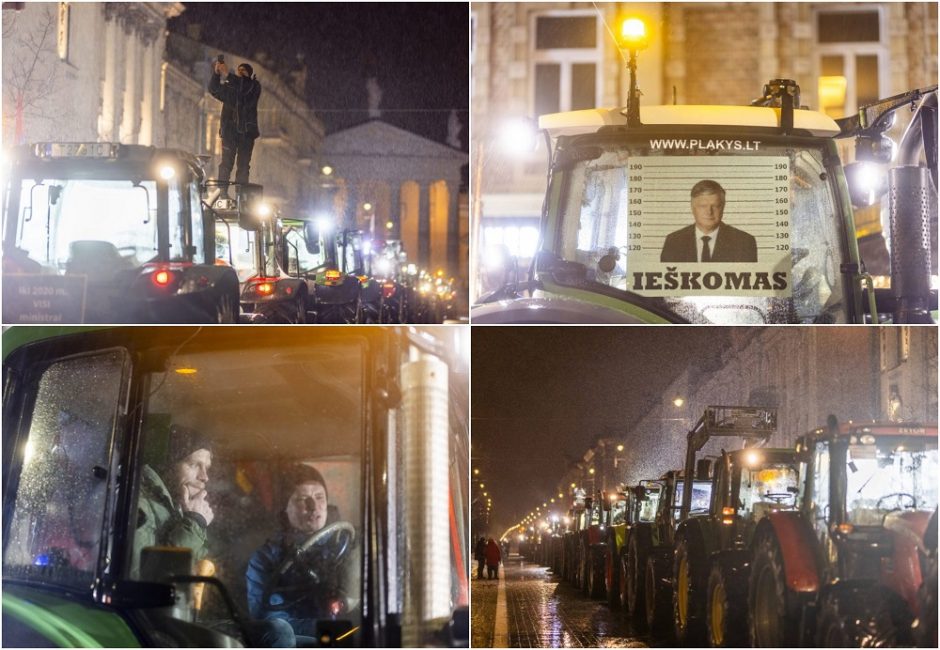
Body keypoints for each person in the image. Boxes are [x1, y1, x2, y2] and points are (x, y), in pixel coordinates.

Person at [246, 465, 356, 647]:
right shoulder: (265, 559)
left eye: (319, 497)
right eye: (302, 499)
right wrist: (326, 627)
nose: (313, 507)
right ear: (285, 509)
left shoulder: (348, 545)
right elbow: (270, 620)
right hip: (295, 638)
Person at [133, 424, 214, 577]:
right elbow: (142, 578)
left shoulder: (179, 508)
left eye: (207, 468)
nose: (204, 477)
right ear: (168, 465)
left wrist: (193, 520)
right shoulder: (140, 505)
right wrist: (195, 522)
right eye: (194, 465)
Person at [660, 180, 757, 263]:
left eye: (715, 206)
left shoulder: (744, 243)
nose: (709, 212)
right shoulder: (673, 242)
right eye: (703, 206)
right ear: (693, 208)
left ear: (723, 207)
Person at [209, 59, 262, 190]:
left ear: (249, 74)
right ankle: (222, 193)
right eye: (238, 71)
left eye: (243, 71)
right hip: (229, 131)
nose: (240, 73)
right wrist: (216, 74)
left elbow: (244, 87)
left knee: (243, 165)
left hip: (246, 132)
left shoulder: (254, 86)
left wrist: (227, 74)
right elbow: (214, 90)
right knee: (226, 164)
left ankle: (241, 195)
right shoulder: (231, 88)